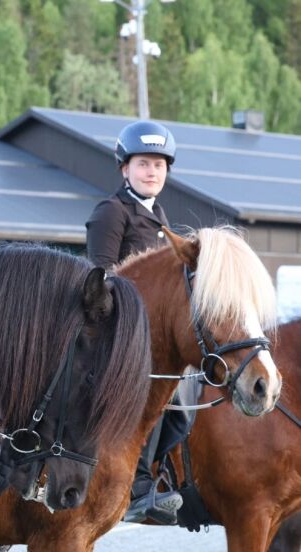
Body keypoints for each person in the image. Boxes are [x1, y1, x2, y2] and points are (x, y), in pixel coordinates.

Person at [86, 120, 187, 525]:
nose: (152, 172)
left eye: (160, 165)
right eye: (144, 163)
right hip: (122, 335)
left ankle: (158, 481)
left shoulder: (160, 216)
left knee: (179, 413)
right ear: (124, 168)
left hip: (158, 341)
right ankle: (139, 489)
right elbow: (100, 276)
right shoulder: (112, 212)